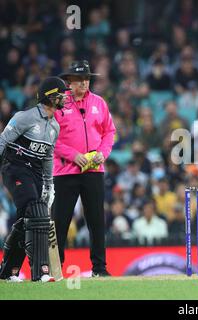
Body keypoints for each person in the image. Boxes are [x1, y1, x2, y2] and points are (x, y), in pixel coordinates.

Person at [0, 76, 69, 282]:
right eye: (61, 94)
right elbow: (3, 140)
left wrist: (49, 184)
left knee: (25, 219)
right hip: (15, 168)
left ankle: (8, 271)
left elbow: (47, 156)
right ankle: (41, 272)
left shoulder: (55, 126)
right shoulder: (25, 117)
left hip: (36, 174)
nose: (65, 97)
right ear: (50, 97)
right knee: (35, 210)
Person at [53, 60, 116, 277]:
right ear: (69, 82)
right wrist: (74, 155)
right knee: (60, 221)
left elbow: (109, 131)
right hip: (65, 171)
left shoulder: (99, 102)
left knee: (97, 221)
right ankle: (54, 268)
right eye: (79, 79)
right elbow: (51, 138)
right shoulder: (59, 104)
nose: (84, 83)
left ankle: (99, 268)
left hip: (93, 170)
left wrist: (103, 153)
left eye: (87, 79)